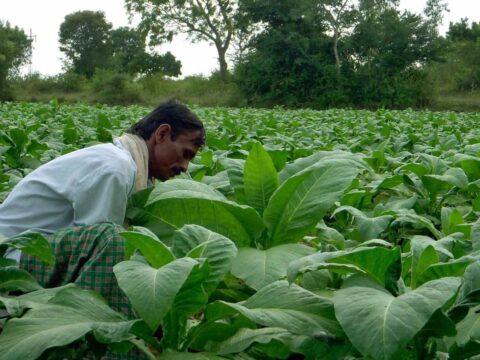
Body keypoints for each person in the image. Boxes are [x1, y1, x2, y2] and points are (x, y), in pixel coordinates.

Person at [0, 99, 205, 320]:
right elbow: (104, 252)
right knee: (113, 241)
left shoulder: (130, 167)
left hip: (37, 254)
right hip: (11, 263)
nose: (185, 167)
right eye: (185, 154)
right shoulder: (116, 167)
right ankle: (92, 340)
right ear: (162, 134)